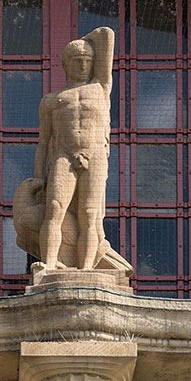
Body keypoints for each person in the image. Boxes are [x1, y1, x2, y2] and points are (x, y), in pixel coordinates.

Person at [33, 27, 114, 271]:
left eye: (87, 61)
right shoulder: (52, 99)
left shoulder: (101, 87)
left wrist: (85, 41)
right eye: (77, 61)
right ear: (65, 65)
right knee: (54, 208)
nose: (82, 66)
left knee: (89, 214)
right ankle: (48, 265)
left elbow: (106, 35)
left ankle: (87, 268)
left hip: (95, 153)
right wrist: (39, 176)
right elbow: (44, 142)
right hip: (63, 155)